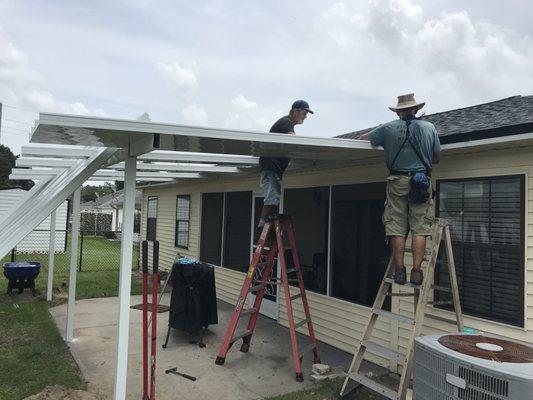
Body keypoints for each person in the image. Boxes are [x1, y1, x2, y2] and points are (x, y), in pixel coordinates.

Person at [360, 94, 441, 285]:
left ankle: (399, 271)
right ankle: (416, 271)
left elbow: (363, 139)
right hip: (421, 181)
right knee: (420, 228)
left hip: (397, 181)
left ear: (398, 111)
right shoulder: (429, 128)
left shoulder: (388, 128)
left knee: (396, 226)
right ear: (416, 110)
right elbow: (437, 158)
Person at [255, 100, 314, 238]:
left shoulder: (286, 123)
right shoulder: (285, 123)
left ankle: (270, 226)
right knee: (271, 198)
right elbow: (293, 140)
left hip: (274, 167)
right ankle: (261, 228)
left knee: (274, 198)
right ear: (296, 111)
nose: (305, 116)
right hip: (270, 166)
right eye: (304, 113)